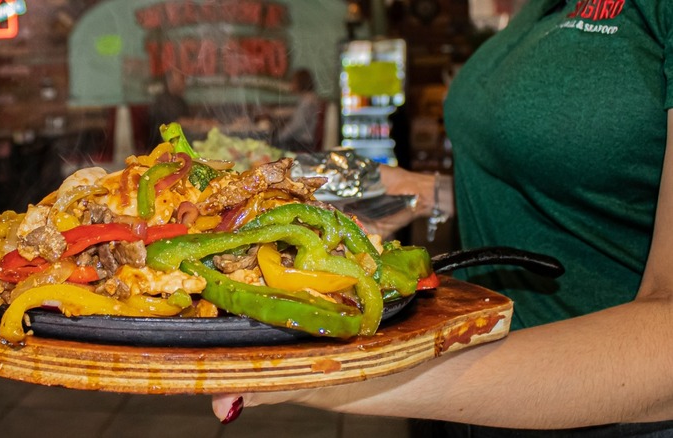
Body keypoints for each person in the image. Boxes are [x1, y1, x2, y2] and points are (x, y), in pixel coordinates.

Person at [212, 1, 673, 436]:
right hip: (472, 397)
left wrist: (338, 375)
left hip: (598, 413)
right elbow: (576, 177)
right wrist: (418, 192)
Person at [274, 68, 323, 152]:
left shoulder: (306, 101)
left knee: (274, 146)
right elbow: (298, 115)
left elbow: (297, 125)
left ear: (300, 83)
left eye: (293, 81)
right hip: (307, 142)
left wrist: (279, 137)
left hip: (303, 144)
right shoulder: (311, 98)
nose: (291, 85)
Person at [148, 70, 191, 145]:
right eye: (181, 79)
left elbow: (189, 120)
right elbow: (178, 123)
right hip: (163, 147)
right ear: (170, 82)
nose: (184, 83)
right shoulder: (163, 101)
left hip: (180, 143)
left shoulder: (180, 101)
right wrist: (203, 125)